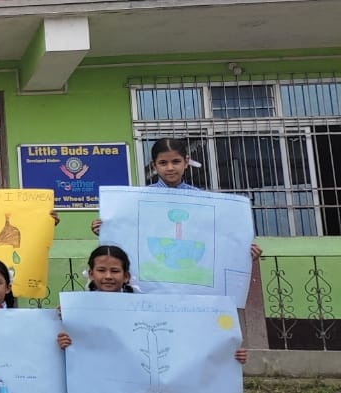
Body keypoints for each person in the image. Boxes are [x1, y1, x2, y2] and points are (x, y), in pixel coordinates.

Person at [56, 246, 248, 363]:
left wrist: (226, 353)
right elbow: (71, 348)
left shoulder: (146, 309)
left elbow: (181, 338)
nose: (108, 276)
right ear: (91, 274)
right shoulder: (74, 311)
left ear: (126, 276)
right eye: (101, 270)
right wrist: (65, 343)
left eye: (114, 271)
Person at [89, 139, 260, 259]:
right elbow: (130, 232)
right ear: (154, 165)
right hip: (152, 272)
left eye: (176, 161)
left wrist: (241, 251)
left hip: (189, 268)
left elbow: (215, 236)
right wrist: (107, 230)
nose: (170, 168)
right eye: (163, 163)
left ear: (186, 162)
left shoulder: (201, 200)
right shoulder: (138, 200)